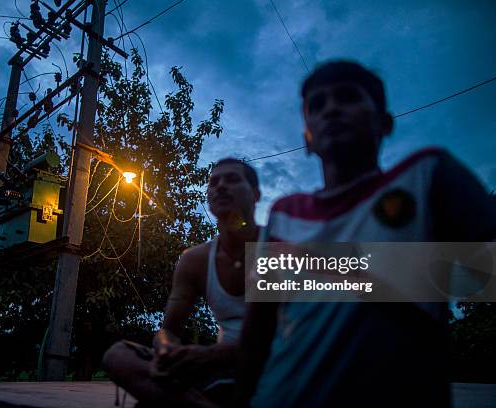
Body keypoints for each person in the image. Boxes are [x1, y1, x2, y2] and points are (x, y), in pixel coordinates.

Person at [235, 61, 496, 407]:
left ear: (385, 123)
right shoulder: (284, 213)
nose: (332, 109)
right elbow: (257, 336)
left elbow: (485, 274)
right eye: (317, 104)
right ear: (307, 139)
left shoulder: (428, 175)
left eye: (348, 97)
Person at [103, 158, 262, 407]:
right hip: (216, 371)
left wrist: (211, 356)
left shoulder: (274, 248)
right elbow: (169, 330)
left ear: (255, 194)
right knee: (118, 355)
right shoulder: (195, 259)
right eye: (214, 182)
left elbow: (282, 337)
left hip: (266, 365)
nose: (220, 186)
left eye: (232, 179)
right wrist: (166, 351)